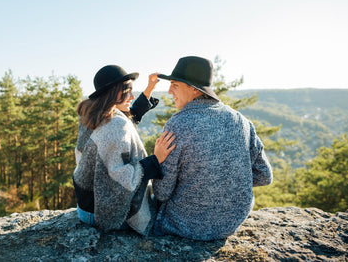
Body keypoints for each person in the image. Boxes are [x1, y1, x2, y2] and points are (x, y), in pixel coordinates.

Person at [152, 56, 273, 241]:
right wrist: (224, 185)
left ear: (194, 89)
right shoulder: (242, 120)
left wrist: (156, 161)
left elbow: (162, 193)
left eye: (175, 85)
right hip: (231, 223)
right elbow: (264, 176)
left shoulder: (177, 125)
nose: (169, 91)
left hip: (184, 224)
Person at [73, 65, 175, 236]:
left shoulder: (92, 113)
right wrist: (155, 159)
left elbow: (128, 116)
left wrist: (149, 89)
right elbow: (122, 180)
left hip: (85, 207)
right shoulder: (115, 126)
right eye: (127, 91)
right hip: (98, 213)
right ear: (113, 93)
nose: (132, 96)